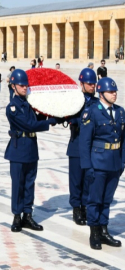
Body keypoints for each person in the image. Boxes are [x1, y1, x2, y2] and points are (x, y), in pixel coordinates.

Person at [5, 69, 58, 233]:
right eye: (21, 85)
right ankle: (16, 216)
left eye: (26, 85)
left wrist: (51, 112)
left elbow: (37, 119)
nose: (24, 87)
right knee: (18, 185)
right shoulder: (12, 107)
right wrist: (50, 122)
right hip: (18, 149)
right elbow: (29, 125)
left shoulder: (30, 104)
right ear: (14, 86)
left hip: (30, 149)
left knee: (29, 183)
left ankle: (27, 215)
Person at [79, 77, 124, 250]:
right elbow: (85, 143)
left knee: (107, 199)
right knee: (94, 199)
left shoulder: (120, 112)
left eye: (115, 91)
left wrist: (122, 162)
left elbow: (123, 139)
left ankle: (104, 230)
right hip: (97, 163)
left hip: (114, 163)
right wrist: (87, 167)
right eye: (111, 92)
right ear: (101, 93)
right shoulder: (92, 111)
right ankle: (94, 232)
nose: (114, 94)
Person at [66, 68, 99, 226]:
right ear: (81, 83)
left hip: (92, 147)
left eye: (94, 83)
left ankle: (85, 206)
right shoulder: (75, 100)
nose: (92, 86)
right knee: (76, 179)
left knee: (88, 179)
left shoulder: (97, 103)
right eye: (89, 83)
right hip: (77, 144)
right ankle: (76, 208)